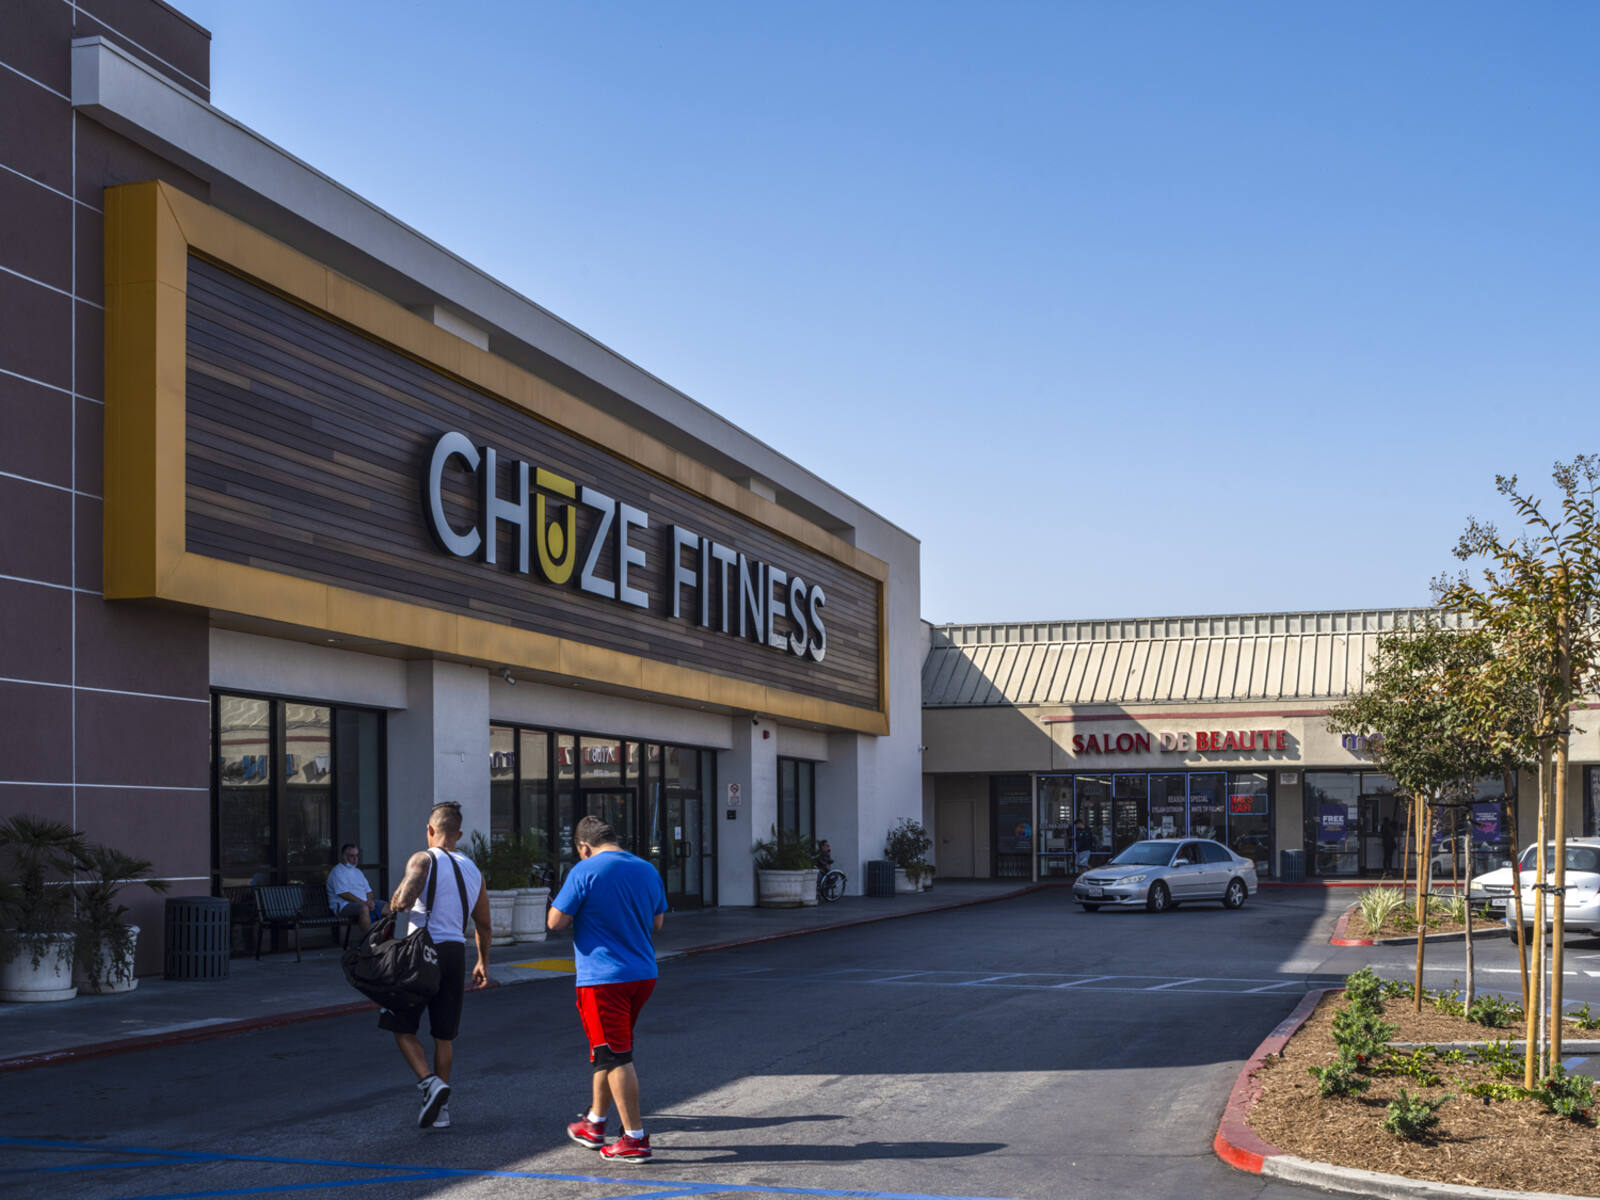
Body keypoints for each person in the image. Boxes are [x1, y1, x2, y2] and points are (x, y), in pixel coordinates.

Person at [549, 815, 668, 1165]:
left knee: (616, 1056)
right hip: (642, 974)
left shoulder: (585, 871)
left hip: (603, 979)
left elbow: (555, 921)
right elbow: (657, 922)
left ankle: (634, 1138)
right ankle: (595, 1123)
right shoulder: (647, 869)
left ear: (583, 847)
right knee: (608, 1049)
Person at [384, 801, 493, 1131]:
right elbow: (485, 925)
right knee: (443, 1036)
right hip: (455, 953)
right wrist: (482, 962)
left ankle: (429, 1083)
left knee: (400, 1025)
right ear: (458, 834)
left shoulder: (423, 859)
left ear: (430, 830)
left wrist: (394, 900)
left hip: (422, 950)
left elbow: (401, 903)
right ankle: (441, 1112)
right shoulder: (474, 871)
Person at [327, 843, 383, 934]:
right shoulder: (337, 871)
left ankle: (387, 941)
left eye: (356, 855)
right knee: (364, 908)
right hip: (343, 906)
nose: (355, 858)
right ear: (343, 857)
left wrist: (370, 901)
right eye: (351, 856)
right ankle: (368, 941)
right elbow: (343, 893)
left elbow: (368, 891)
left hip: (363, 903)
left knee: (388, 907)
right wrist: (364, 902)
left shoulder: (358, 872)